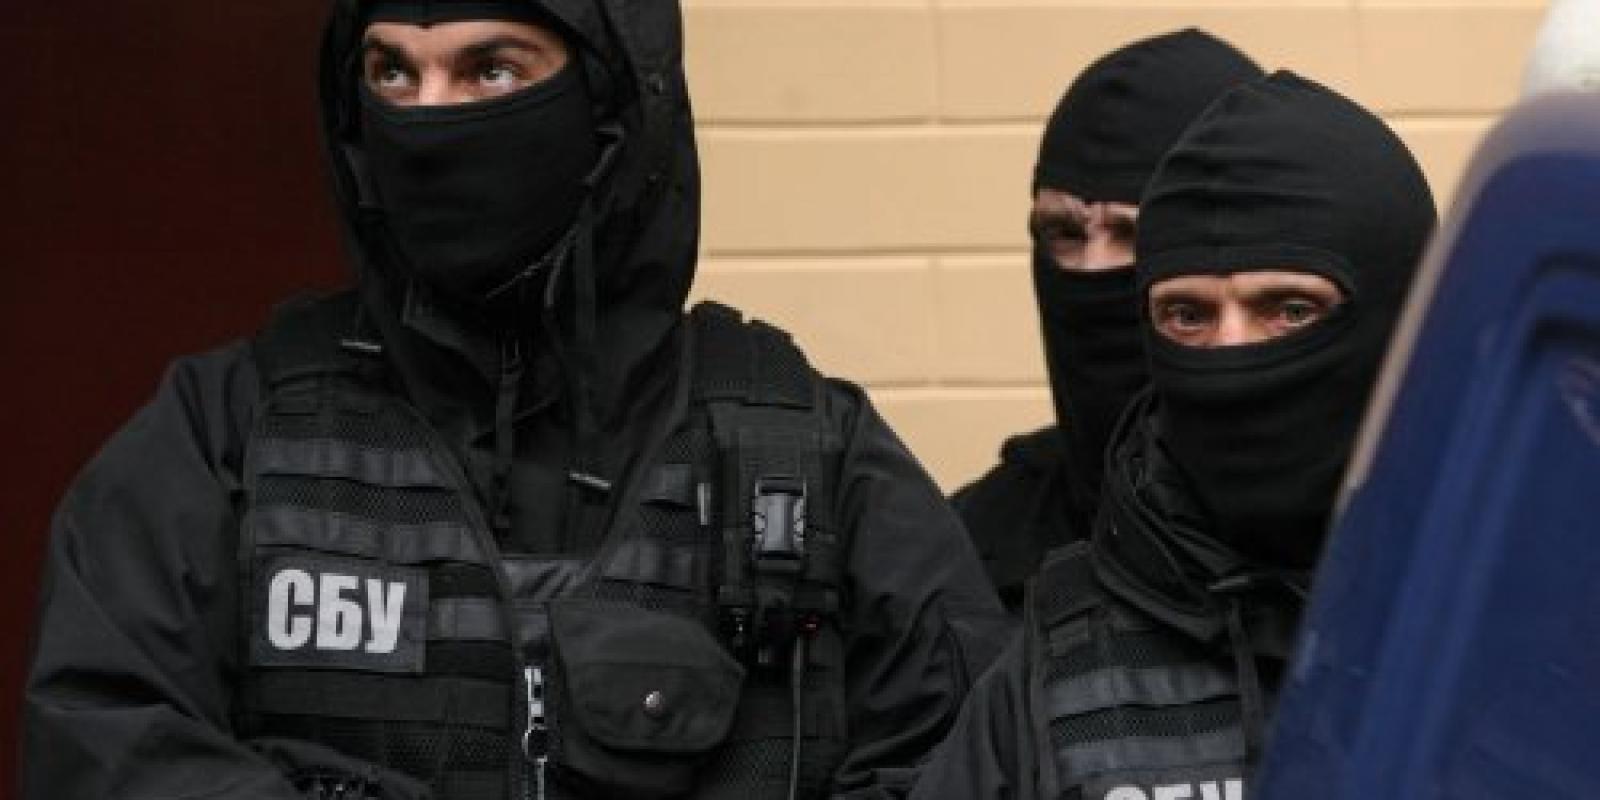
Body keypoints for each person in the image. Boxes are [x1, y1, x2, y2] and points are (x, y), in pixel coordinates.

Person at [20, 2, 1010, 799]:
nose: (429, 117)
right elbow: (102, 740)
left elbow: (966, 755)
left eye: (491, 70)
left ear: (610, 108)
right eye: (391, 73)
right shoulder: (229, 431)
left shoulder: (804, 456)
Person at [910, 70, 1437, 799]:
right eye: (1188, 316)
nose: (1230, 353)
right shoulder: (1054, 671)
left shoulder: (1528, 614)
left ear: (1399, 319)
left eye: (1288, 310)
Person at [951, 30, 1262, 614]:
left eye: (1131, 233)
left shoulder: (1353, 542)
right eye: (1064, 234)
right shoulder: (970, 547)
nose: (1091, 271)